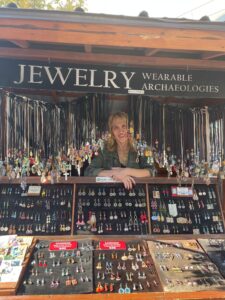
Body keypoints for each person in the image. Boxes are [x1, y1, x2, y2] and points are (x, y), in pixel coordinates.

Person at [84, 112, 152, 189]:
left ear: (130, 129)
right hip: (110, 194)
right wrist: (114, 173)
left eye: (124, 126)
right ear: (112, 131)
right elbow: (89, 171)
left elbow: (151, 171)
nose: (121, 131)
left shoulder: (140, 148)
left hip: (137, 193)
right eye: (116, 128)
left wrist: (126, 172)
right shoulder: (104, 149)